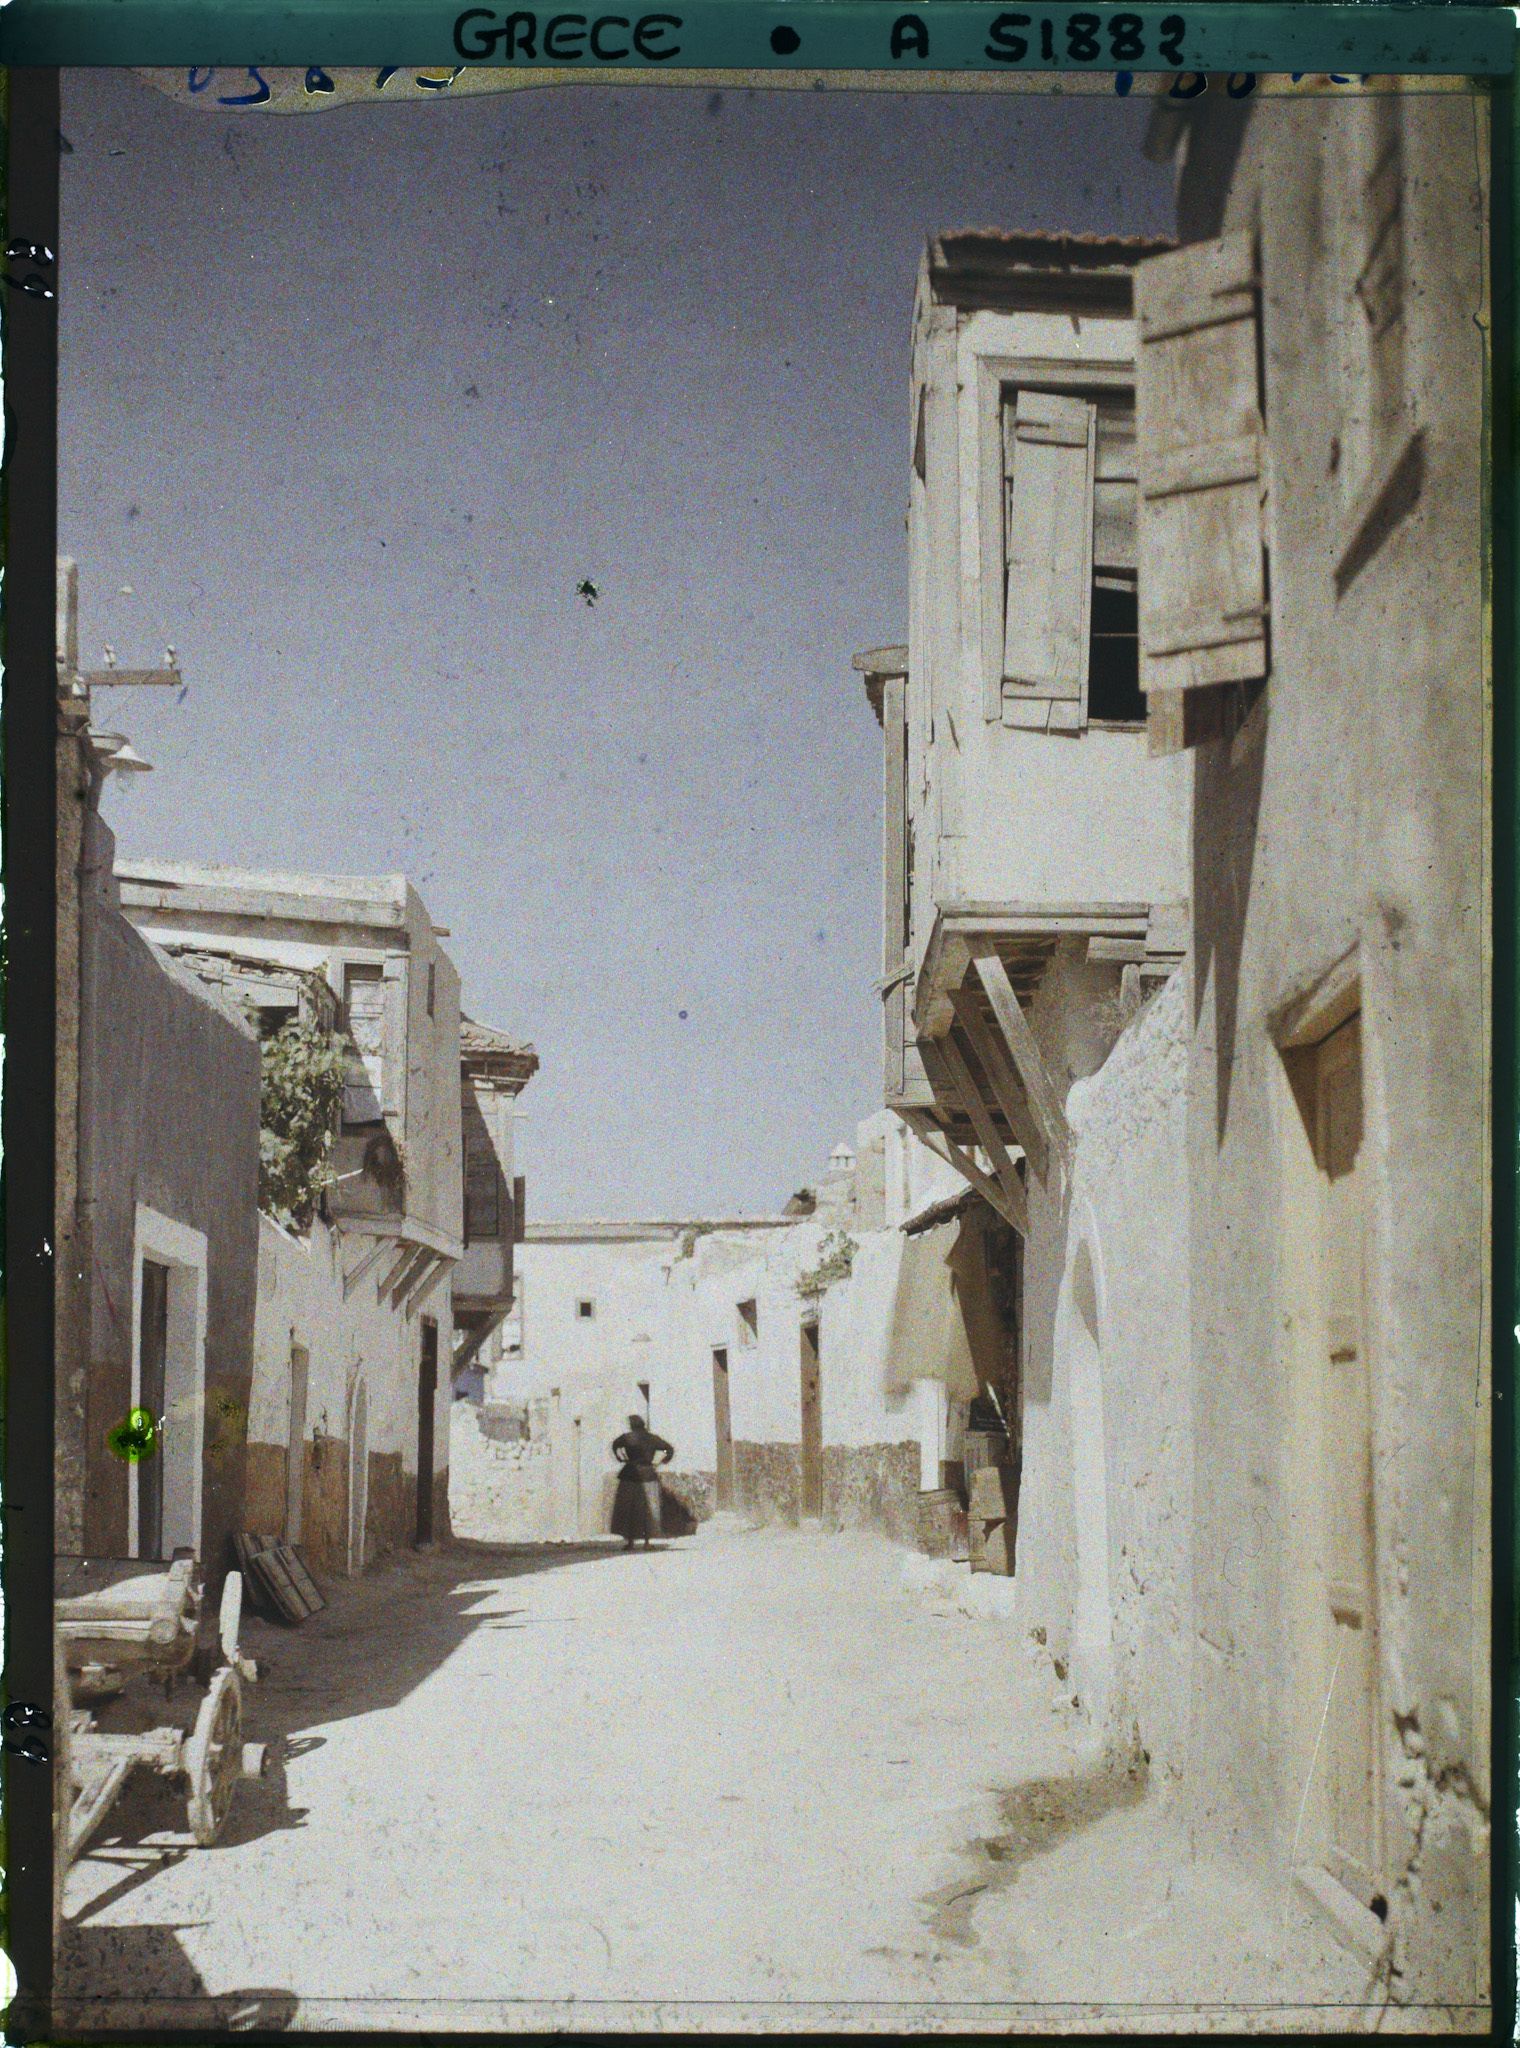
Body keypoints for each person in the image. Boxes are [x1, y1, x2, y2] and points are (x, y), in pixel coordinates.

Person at [610, 1414, 674, 1549]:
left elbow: (615, 1445)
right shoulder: (652, 1438)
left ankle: (631, 1542)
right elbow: (669, 1449)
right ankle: (647, 1542)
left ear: (632, 1425)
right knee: (648, 1510)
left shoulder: (627, 1437)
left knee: (629, 1510)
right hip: (648, 1474)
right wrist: (661, 1462)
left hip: (629, 1474)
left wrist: (620, 1457)